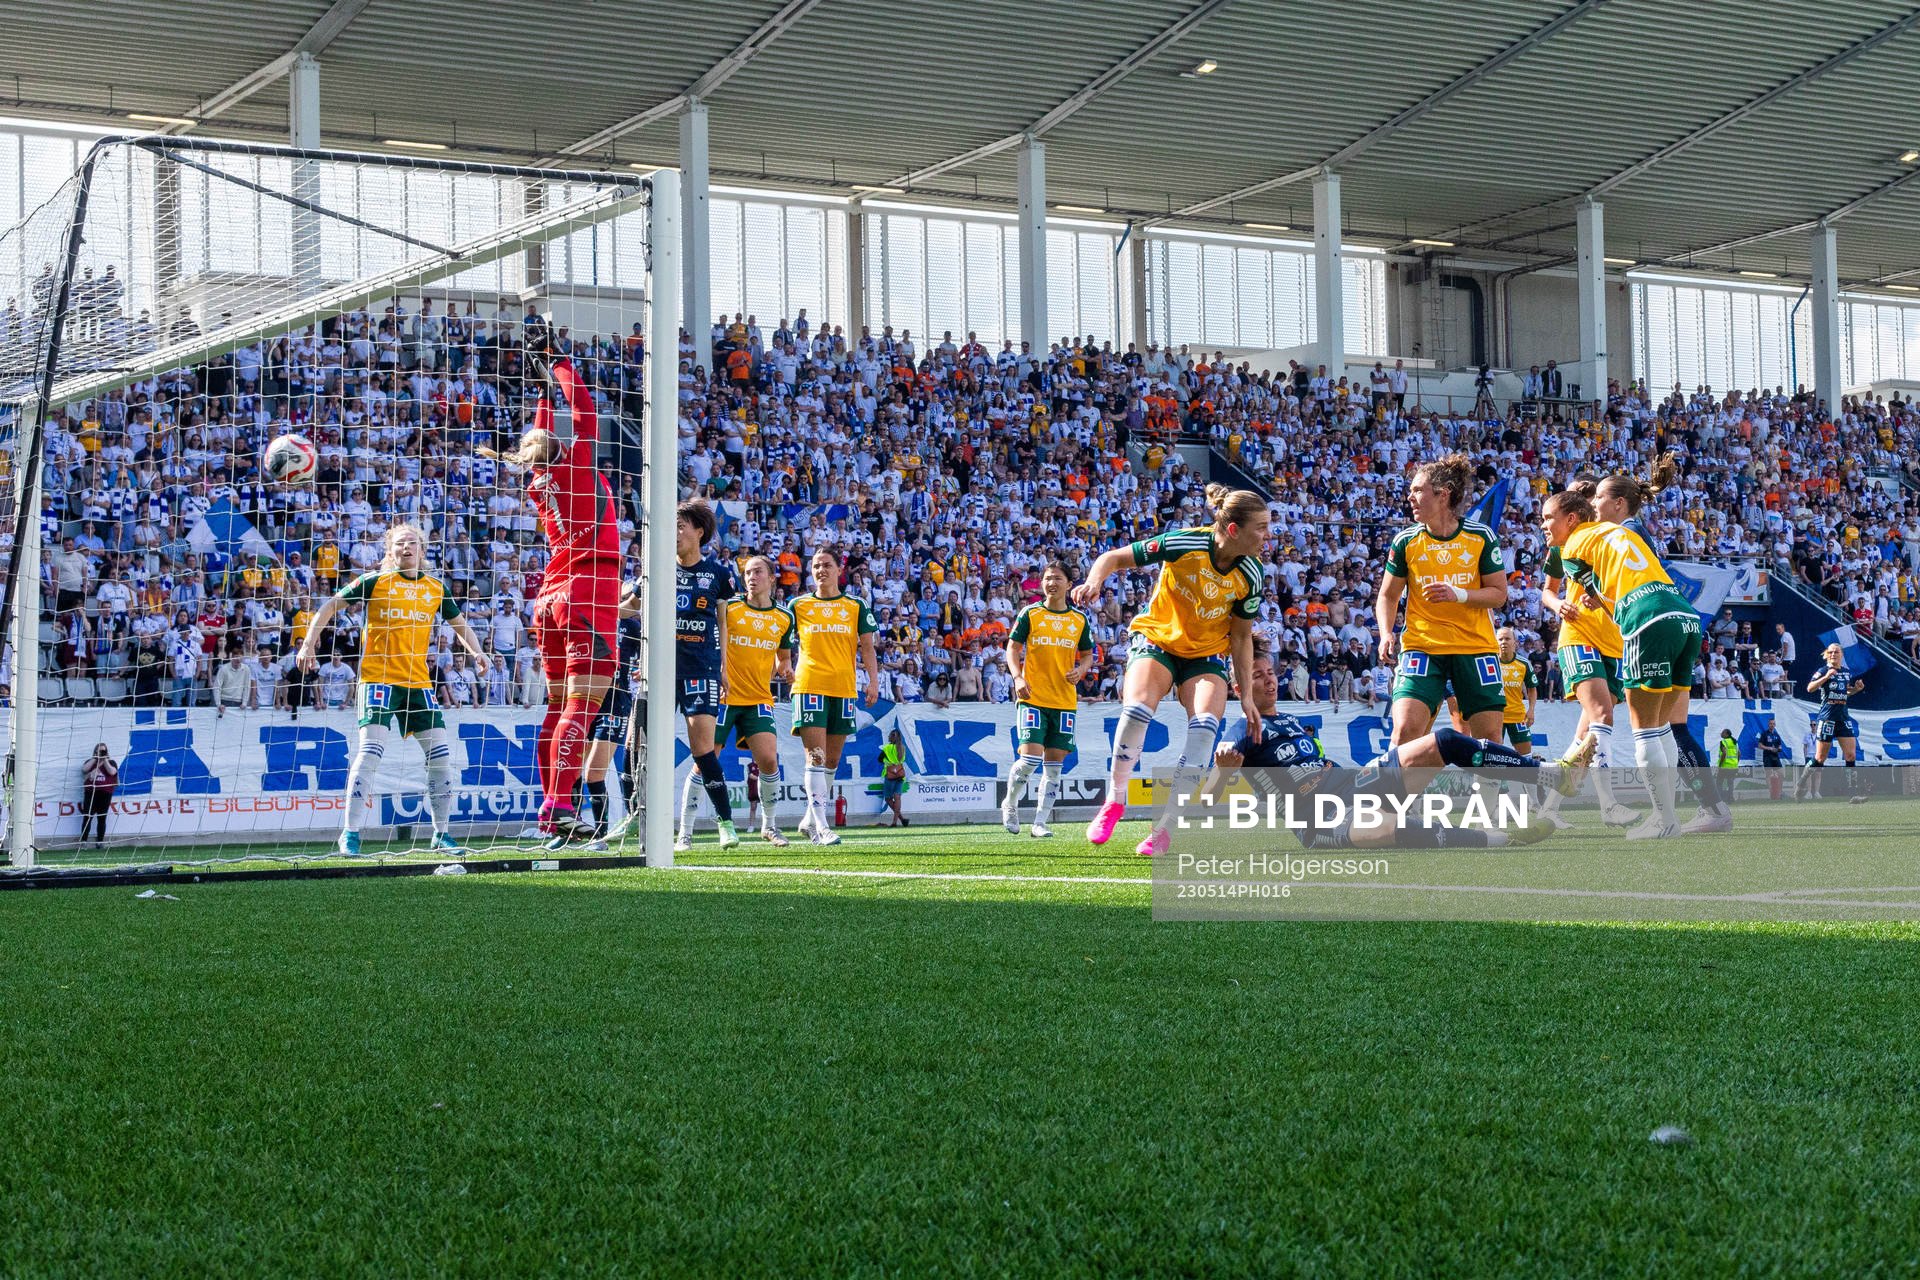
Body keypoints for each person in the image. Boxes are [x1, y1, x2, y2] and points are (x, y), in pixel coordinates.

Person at [1201, 652, 1584, 851]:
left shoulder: (1291, 722)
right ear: (1239, 690)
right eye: (1257, 676)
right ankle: (1501, 838)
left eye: (1270, 673)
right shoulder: (1241, 729)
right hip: (1320, 818)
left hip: (1353, 784)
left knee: (1445, 741)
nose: (1269, 680)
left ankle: (1549, 774)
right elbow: (1203, 802)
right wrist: (1220, 772)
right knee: (1387, 829)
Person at [481, 317, 622, 841]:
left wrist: (541, 386)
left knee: (560, 705)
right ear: (557, 444)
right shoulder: (575, 466)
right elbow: (585, 411)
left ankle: (551, 808)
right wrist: (559, 361)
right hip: (590, 588)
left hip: (550, 596)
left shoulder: (538, 479)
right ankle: (561, 804)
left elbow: (547, 426)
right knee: (582, 708)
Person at [1071, 485, 1269, 856]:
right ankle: (1115, 800)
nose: (1268, 536)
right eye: (1260, 528)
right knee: (1137, 710)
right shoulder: (1184, 543)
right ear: (1233, 530)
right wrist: (1094, 581)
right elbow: (1113, 558)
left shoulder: (1252, 575)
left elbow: (1241, 639)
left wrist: (1246, 697)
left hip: (1206, 655)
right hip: (1158, 640)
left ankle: (1165, 829)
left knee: (1206, 726)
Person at [297, 524, 488, 857]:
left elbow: (461, 627)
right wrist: (309, 645)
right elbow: (329, 606)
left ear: (422, 549)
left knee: (441, 756)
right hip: (378, 679)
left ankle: (441, 834)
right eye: (400, 543)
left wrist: (478, 653)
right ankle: (350, 834)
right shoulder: (375, 582)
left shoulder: (436, 588)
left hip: (418, 683)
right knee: (370, 753)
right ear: (390, 550)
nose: (407, 548)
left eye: (413, 543)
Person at [1541, 488, 1702, 839]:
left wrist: (1604, 604)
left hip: (1644, 622)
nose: (1543, 525)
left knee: (1644, 729)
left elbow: (1601, 599)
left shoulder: (1571, 548)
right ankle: (1664, 814)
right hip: (1684, 616)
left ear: (1572, 519)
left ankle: (1664, 819)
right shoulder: (1625, 530)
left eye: (1548, 517)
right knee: (1662, 728)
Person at [1593, 459, 1731, 833]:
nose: (1592, 505)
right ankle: (1711, 808)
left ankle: (1681, 814)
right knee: (1674, 727)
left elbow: (1638, 579)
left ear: (1619, 503)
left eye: (1597, 497)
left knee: (1664, 728)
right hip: (1678, 620)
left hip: (1657, 623)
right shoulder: (1631, 530)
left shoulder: (1628, 532)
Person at [1376, 455, 1508, 747]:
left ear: (1443, 493)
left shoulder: (1481, 537)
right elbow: (1387, 595)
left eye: (1417, 490)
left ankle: (1488, 792)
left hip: (1474, 647)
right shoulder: (1406, 541)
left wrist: (1458, 594)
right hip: (1422, 647)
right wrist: (1386, 633)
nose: (1409, 496)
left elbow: (1499, 595)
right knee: (1405, 733)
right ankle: (1397, 794)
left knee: (1489, 741)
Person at [1537, 477, 1639, 830]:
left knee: (1588, 739)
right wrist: (1559, 604)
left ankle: (1548, 807)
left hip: (1614, 642)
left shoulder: (1609, 538)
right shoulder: (1565, 545)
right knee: (1602, 715)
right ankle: (1609, 806)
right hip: (1579, 635)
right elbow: (1547, 591)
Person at [789, 547, 880, 845]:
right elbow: (780, 643)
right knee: (815, 757)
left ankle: (808, 819)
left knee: (833, 759)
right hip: (810, 686)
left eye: (826, 565)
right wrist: (781, 666)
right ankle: (821, 826)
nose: (820, 570)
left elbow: (867, 647)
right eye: (815, 566)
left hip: (843, 688)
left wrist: (873, 682)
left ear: (839, 569)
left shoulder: (856, 605)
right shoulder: (797, 605)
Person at [1002, 561, 1096, 837]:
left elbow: (1088, 654)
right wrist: (1018, 678)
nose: (1051, 583)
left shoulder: (1079, 619)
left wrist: (1081, 669)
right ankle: (1010, 804)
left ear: (1069, 584)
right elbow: (1013, 648)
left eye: (1057, 578)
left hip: (1065, 702)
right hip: (1033, 697)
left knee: (1054, 769)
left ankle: (1040, 822)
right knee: (1029, 761)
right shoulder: (1030, 613)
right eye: (1047, 579)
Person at [670, 500, 742, 853]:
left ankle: (725, 824)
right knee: (637, 746)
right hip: (659, 669)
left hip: (700, 668)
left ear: (699, 532)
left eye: (682, 525)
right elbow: (633, 606)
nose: (676, 532)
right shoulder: (657, 569)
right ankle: (638, 819)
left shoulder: (718, 574)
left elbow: (724, 623)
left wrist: (724, 668)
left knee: (703, 750)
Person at [716, 554, 795, 845]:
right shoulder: (731, 607)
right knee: (706, 761)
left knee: (768, 761)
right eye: (748, 572)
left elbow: (783, 658)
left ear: (772, 578)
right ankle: (684, 832)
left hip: (758, 698)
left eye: (758, 571)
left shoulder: (784, 617)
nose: (751, 577)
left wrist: (786, 669)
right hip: (725, 696)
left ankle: (769, 826)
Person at [1802, 641, 1868, 803]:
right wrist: (1826, 677)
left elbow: (1844, 692)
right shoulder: (1823, 670)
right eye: (1830, 652)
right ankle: (1802, 781)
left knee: (1851, 754)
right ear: (1826, 655)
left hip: (1843, 718)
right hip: (1827, 718)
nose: (1833, 655)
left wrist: (1856, 690)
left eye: (1836, 652)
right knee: (1820, 758)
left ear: (1841, 655)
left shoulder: (1846, 672)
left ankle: (1852, 794)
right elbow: (1810, 688)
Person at [1493, 626, 1536, 756]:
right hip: (1494, 717)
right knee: (1491, 756)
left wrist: (1531, 710)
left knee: (1526, 756)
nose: (1503, 642)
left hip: (1517, 716)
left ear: (1515, 643)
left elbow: (1532, 689)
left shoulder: (1524, 663)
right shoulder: (1490, 661)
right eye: (1500, 639)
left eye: (1507, 639)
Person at [79, 743, 118, 845]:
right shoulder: (90, 762)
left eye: (103, 751)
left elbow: (112, 772)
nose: (101, 752)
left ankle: (100, 841)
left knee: (102, 818)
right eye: (99, 750)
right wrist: (95, 758)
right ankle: (83, 841)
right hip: (90, 792)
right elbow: (84, 769)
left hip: (105, 793)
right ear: (95, 751)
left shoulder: (111, 762)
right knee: (87, 817)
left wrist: (104, 759)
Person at [877, 728, 910, 828]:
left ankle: (899, 820)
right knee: (897, 797)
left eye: (890, 736)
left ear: (892, 737)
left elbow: (879, 759)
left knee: (888, 798)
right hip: (900, 775)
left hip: (890, 775)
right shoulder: (902, 748)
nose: (888, 737)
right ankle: (898, 820)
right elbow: (902, 760)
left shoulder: (887, 748)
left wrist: (888, 763)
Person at [1715, 728, 1741, 806]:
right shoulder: (1735, 743)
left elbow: (1724, 753)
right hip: (1733, 767)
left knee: (1719, 783)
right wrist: (1736, 762)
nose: (1721, 733)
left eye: (1723, 732)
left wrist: (1720, 765)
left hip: (1724, 767)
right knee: (1730, 783)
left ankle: (1720, 799)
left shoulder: (1723, 742)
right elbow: (1739, 753)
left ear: (1726, 734)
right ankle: (1730, 799)